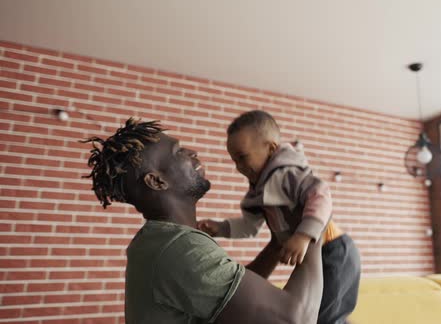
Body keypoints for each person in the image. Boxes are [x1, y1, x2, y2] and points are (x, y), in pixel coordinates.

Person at [82, 118, 323, 324]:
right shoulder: (178, 248)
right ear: (156, 182)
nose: (192, 152)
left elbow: (233, 295)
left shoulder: (159, 241)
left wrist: (276, 244)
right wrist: (312, 227)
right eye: (178, 152)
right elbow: (297, 318)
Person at [197, 110, 361, 324]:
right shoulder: (257, 193)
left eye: (243, 157)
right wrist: (221, 228)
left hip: (334, 250)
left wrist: (303, 235)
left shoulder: (288, 174)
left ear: (271, 148)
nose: (239, 167)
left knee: (322, 316)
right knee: (322, 315)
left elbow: (320, 194)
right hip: (317, 254)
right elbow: (249, 226)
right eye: (234, 160)